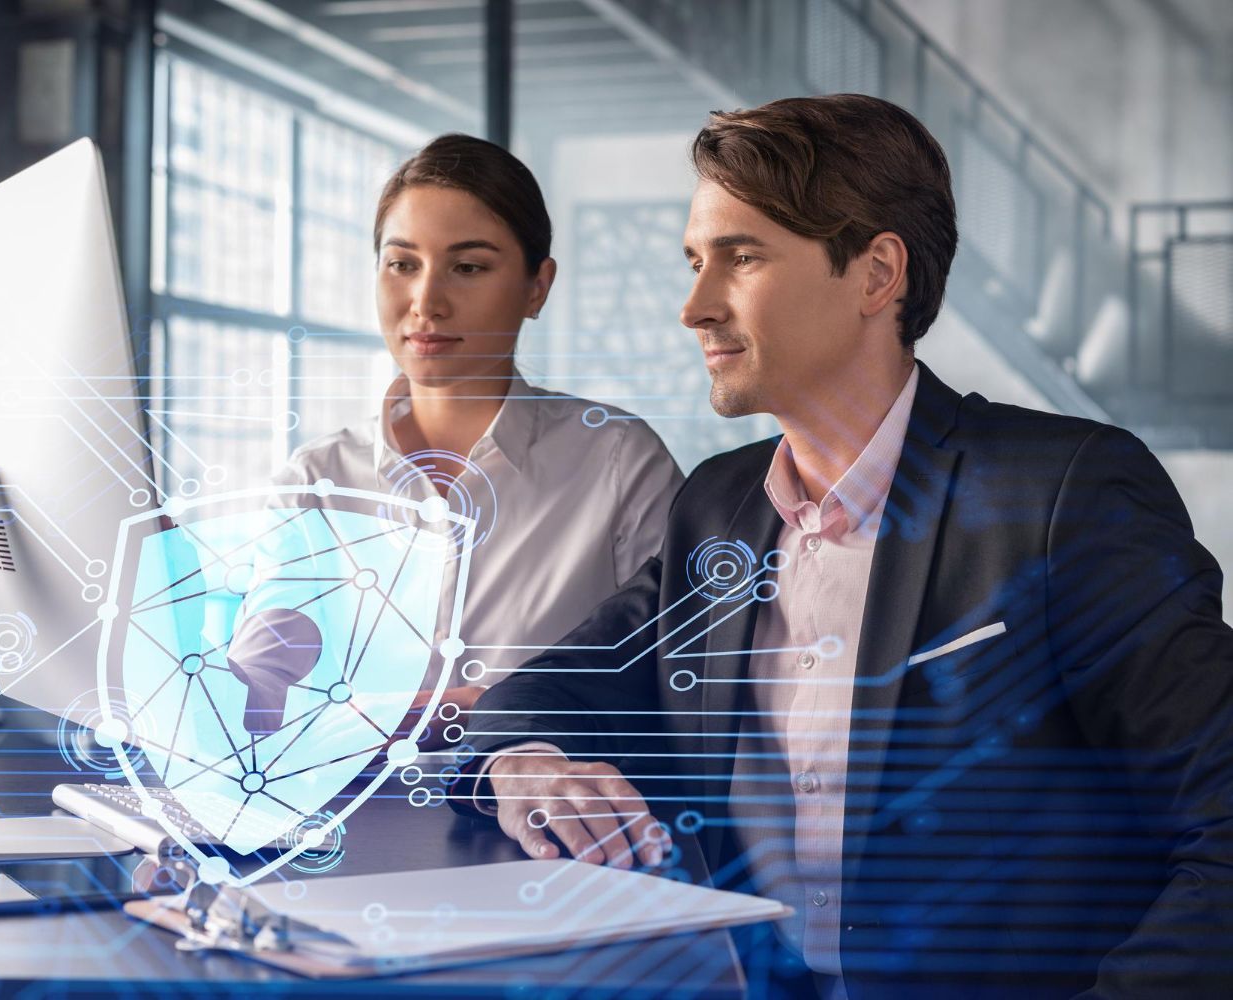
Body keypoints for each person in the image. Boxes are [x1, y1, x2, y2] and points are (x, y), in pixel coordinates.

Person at [453, 95, 1233, 998]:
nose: (694, 307)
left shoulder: (1066, 496)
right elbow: (539, 691)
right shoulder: (717, 509)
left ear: (876, 275)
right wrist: (524, 765)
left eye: (742, 258)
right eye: (696, 262)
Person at [273, 133, 683, 738]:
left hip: (544, 797)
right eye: (402, 264)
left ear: (537, 287)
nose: (426, 302)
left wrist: (453, 710)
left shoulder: (618, 461)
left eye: (468, 267)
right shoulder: (314, 480)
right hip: (346, 800)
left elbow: (671, 680)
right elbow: (262, 700)